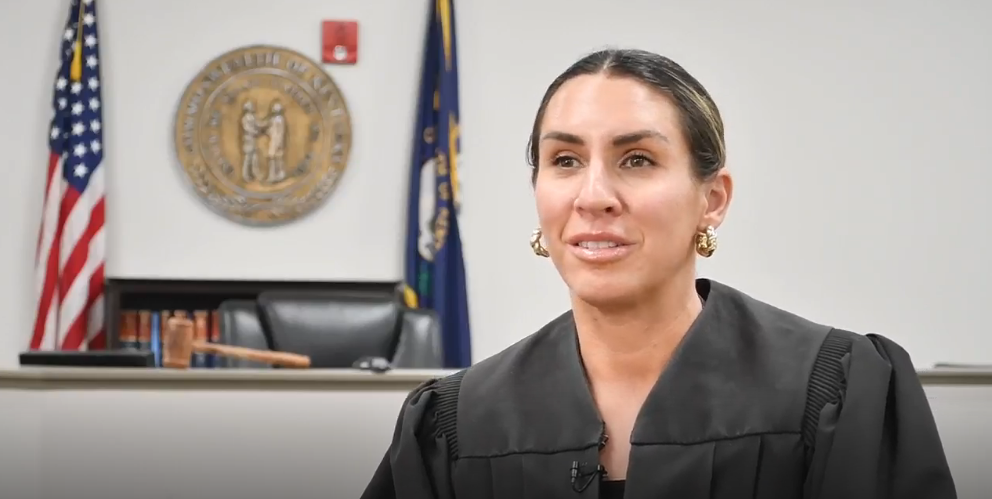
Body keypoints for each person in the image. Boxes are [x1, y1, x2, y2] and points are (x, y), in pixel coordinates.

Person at [360, 48, 956, 499]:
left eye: (637, 160)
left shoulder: (836, 393)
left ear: (713, 198)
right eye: (564, 160)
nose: (593, 195)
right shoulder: (456, 422)